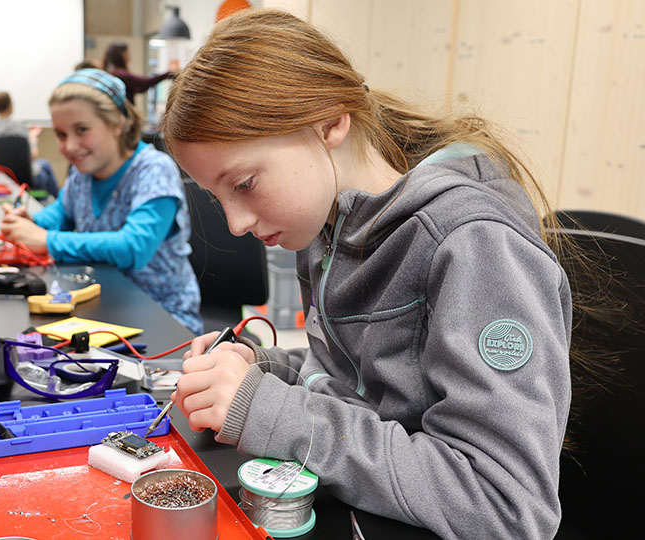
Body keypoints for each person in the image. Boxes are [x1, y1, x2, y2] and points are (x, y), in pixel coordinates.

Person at [161, 9, 600, 540]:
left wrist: (271, 411)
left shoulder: (474, 244)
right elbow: (364, 378)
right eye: (217, 198)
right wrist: (267, 368)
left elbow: (505, 506)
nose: (235, 224)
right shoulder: (324, 223)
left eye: (246, 184)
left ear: (330, 123)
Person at [0, 68, 202, 334]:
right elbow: (59, 214)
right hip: (100, 308)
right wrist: (29, 223)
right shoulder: (83, 173)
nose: (70, 146)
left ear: (117, 123)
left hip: (162, 318)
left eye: (81, 130)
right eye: (61, 135)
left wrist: (46, 240)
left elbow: (133, 248)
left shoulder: (154, 170)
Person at [0, 91, 58, 197]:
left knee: (44, 165)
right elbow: (33, 156)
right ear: (10, 106)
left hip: (0, 177)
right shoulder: (21, 127)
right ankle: (58, 201)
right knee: (45, 165)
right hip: (25, 177)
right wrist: (33, 139)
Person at [103, 42, 173, 104]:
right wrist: (168, 74)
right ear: (121, 55)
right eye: (127, 53)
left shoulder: (112, 72)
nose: (129, 57)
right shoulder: (121, 74)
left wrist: (153, 81)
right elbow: (146, 81)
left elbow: (137, 89)